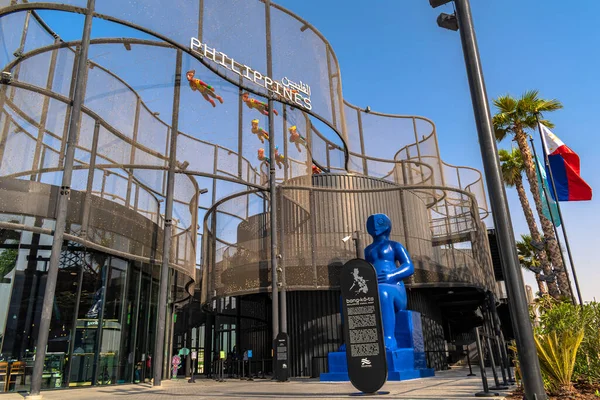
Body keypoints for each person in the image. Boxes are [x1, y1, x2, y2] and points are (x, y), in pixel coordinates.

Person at [364, 213, 414, 350]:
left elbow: (409, 266)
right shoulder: (367, 250)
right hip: (375, 287)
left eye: (379, 221)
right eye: (371, 222)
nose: (374, 224)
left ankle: (389, 337)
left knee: (383, 292)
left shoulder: (395, 246)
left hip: (395, 290)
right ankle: (352, 339)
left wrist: (393, 275)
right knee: (345, 299)